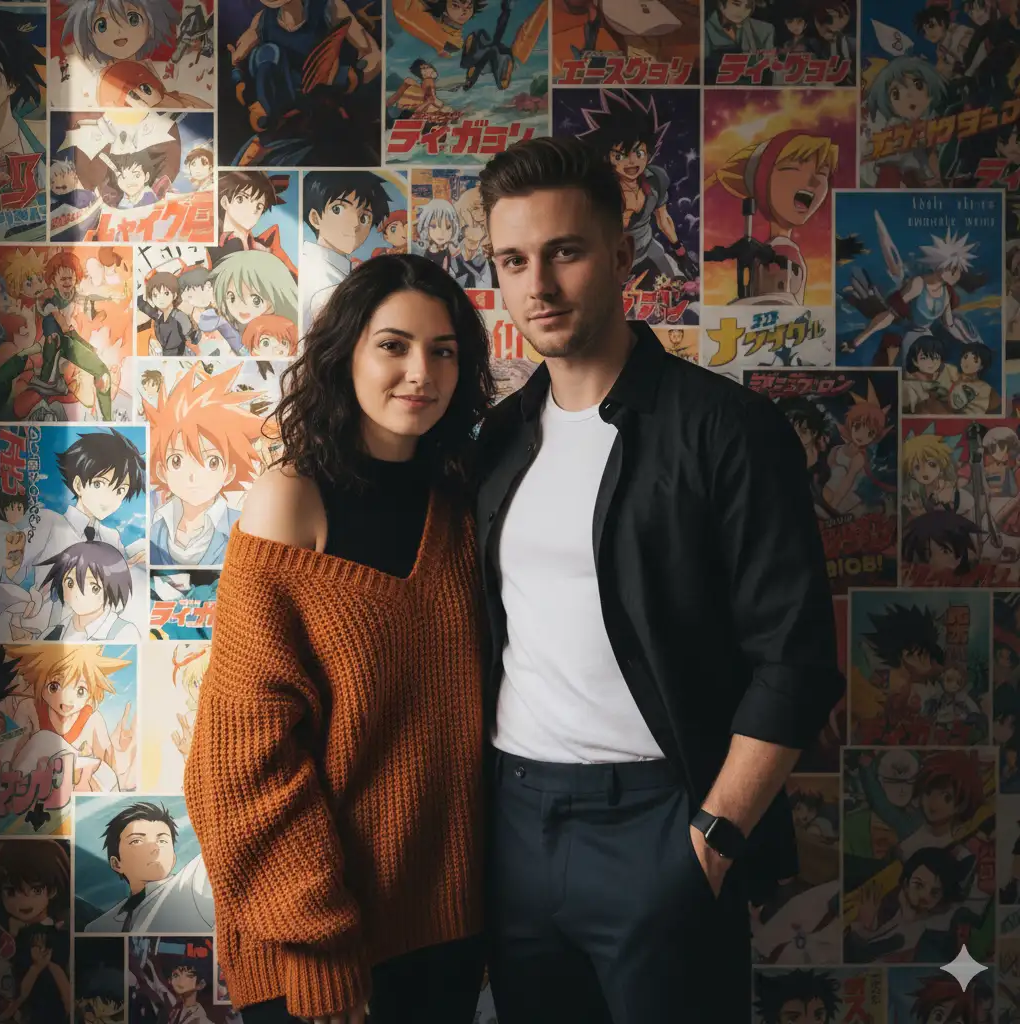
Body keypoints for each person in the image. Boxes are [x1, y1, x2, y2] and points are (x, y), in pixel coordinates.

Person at [474, 136, 844, 1022]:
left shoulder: (727, 430)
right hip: (515, 823)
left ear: (621, 255)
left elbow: (794, 660)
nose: (538, 285)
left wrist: (710, 840)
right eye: (514, 261)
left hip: (662, 822)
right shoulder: (497, 441)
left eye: (564, 251)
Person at [183, 253, 494, 1024]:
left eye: (443, 351)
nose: (421, 372)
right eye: (393, 345)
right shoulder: (291, 499)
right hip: (318, 942)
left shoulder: (463, 502)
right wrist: (318, 941)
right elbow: (239, 762)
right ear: (345, 354)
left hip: (445, 927)